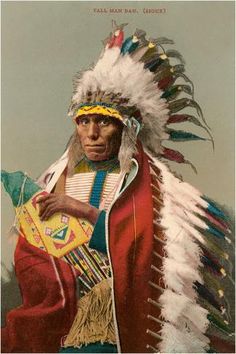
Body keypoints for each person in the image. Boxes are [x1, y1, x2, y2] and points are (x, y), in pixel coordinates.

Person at [1, 23, 234, 353]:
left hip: (131, 321)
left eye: (104, 121)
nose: (92, 132)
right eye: (84, 121)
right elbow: (35, 252)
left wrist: (77, 210)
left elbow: (144, 242)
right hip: (70, 324)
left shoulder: (152, 189)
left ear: (126, 129)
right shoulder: (55, 180)